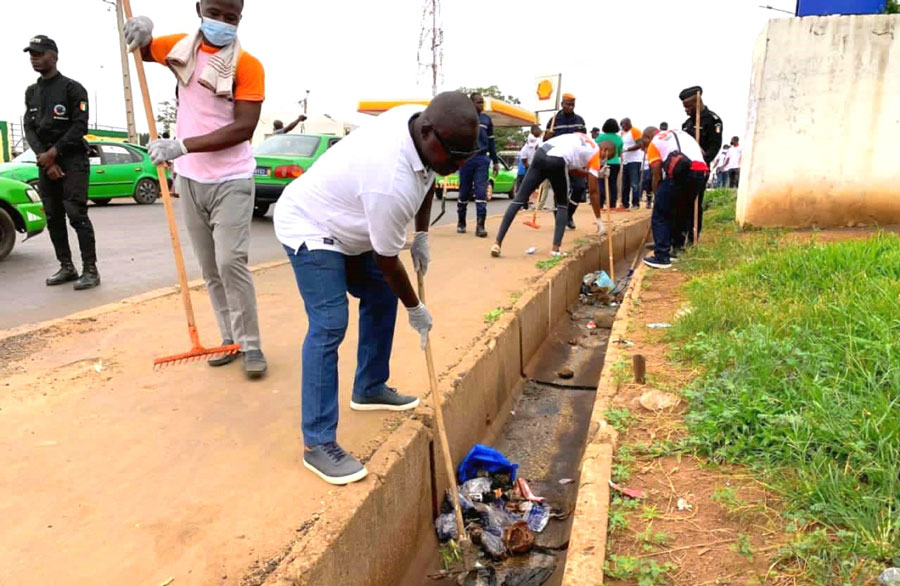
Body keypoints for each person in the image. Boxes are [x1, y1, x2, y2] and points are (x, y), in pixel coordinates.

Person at [272, 92, 479, 485]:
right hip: (310, 224)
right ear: (428, 133)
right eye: (454, 157)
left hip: (350, 221)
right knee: (330, 322)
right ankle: (318, 443)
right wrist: (416, 308)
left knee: (381, 295)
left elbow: (429, 179)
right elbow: (387, 261)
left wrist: (421, 233)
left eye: (465, 158)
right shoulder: (389, 181)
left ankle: (368, 386)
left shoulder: (417, 126)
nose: (458, 167)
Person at [125, 0, 268, 378]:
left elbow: (244, 128)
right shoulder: (180, 49)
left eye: (231, 18)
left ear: (240, 18)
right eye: (215, 13)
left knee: (230, 263)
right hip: (190, 180)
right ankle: (227, 339)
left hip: (232, 180)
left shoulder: (248, 66)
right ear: (199, 8)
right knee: (210, 269)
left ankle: (250, 344)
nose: (222, 22)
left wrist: (183, 145)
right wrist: (142, 28)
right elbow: (141, 49)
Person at [23, 35, 100, 290]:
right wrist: (46, 159)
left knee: (76, 214)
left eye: (39, 53)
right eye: (31, 54)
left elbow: (80, 126)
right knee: (54, 216)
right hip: (46, 161)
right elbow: (29, 128)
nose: (35, 58)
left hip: (73, 159)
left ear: (54, 56)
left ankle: (91, 270)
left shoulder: (72, 88)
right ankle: (67, 267)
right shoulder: (31, 92)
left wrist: (55, 152)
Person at [491, 134, 613, 258]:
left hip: (541, 153)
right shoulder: (595, 153)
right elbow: (593, 191)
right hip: (558, 160)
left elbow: (573, 169)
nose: (603, 161)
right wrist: (599, 220)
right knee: (562, 205)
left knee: (518, 200)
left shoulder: (583, 138)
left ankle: (497, 243)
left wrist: (596, 173)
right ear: (605, 150)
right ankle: (555, 249)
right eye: (606, 158)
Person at [641, 126, 709, 269]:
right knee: (682, 210)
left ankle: (662, 256)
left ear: (648, 137)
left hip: (682, 172)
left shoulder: (655, 142)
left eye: (643, 142)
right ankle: (677, 249)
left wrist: (657, 196)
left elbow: (657, 174)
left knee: (661, 214)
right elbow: (702, 152)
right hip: (701, 173)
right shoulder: (682, 134)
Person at [679, 86, 723, 243]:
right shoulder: (687, 124)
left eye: (689, 106)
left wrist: (703, 161)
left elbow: (715, 146)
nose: (686, 110)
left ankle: (693, 239)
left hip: (700, 170)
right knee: (682, 203)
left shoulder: (713, 120)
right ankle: (679, 237)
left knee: (695, 203)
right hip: (684, 170)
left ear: (697, 103)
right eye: (684, 107)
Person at [456, 93, 499, 238]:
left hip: (482, 159)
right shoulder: (462, 119)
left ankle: (480, 226)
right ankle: (461, 222)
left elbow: (492, 142)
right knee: (464, 193)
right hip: (466, 160)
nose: (482, 105)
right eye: (479, 102)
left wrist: (495, 161)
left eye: (483, 102)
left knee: (481, 193)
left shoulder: (486, 120)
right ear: (471, 103)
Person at [544, 93, 587, 229]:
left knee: (579, 188)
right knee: (559, 190)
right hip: (559, 160)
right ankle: (559, 219)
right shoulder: (553, 121)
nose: (570, 107)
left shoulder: (580, 120)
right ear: (562, 104)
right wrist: (547, 136)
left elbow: (584, 140)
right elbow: (545, 142)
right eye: (568, 104)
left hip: (575, 160)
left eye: (572, 104)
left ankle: (569, 215)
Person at [596, 119, 623, 209]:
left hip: (602, 163)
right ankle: (612, 204)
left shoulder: (599, 138)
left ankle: (600, 203)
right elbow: (619, 153)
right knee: (613, 183)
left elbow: (596, 150)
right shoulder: (619, 138)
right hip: (615, 163)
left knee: (601, 183)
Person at [619, 117, 643, 211]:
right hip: (626, 161)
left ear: (628, 123)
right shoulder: (625, 134)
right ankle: (625, 204)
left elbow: (639, 144)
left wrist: (627, 149)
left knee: (634, 183)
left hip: (634, 160)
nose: (622, 127)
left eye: (623, 125)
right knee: (625, 184)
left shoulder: (635, 131)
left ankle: (635, 203)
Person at [515, 124, 542, 199]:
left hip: (537, 166)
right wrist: (531, 168)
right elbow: (525, 162)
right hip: (528, 168)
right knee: (525, 186)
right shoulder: (524, 150)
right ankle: (524, 203)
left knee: (535, 186)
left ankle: (529, 201)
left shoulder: (540, 141)